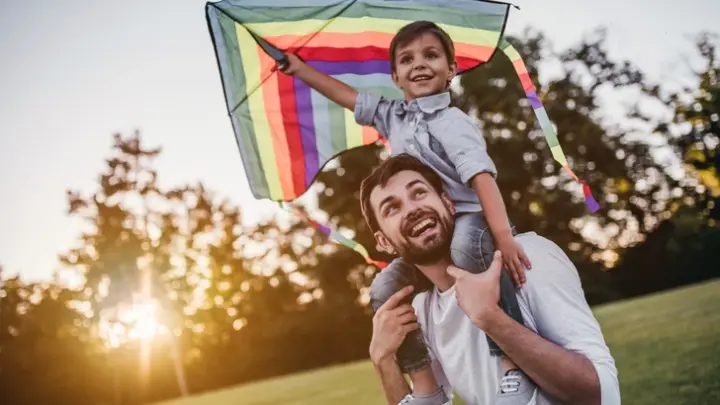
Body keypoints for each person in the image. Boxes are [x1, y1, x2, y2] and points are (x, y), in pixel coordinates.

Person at [278, 20, 534, 403]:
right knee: (384, 288)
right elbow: (346, 96)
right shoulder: (391, 116)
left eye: (431, 56)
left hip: (468, 222)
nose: (419, 65)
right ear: (395, 75)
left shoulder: (453, 123)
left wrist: (503, 237)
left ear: (452, 69)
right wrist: (300, 70)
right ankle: (426, 385)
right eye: (407, 59)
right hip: (425, 233)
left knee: (465, 248)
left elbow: (483, 179)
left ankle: (512, 366)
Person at [360, 154, 621, 405]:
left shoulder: (525, 256)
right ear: (384, 242)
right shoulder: (421, 312)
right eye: (392, 208)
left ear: (448, 204)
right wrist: (383, 361)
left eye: (418, 193)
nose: (413, 209)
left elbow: (601, 396)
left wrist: (490, 318)